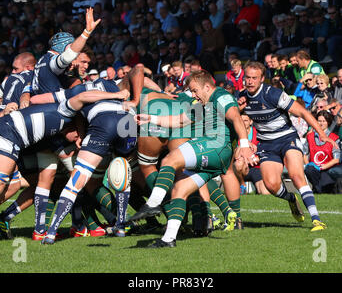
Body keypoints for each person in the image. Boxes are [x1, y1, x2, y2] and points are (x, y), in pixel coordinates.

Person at [130, 70, 256, 247]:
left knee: (169, 160)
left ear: (207, 86)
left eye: (195, 90)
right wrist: (151, 118)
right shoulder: (203, 104)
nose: (194, 95)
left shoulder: (220, 95)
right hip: (217, 154)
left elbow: (235, 116)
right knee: (179, 189)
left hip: (216, 145)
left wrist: (244, 144)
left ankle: (153, 203)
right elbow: (180, 120)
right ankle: (168, 239)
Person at [0, 90, 128, 239]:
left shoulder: (55, 130)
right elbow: (82, 96)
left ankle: (32, 228)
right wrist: (116, 95)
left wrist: (79, 134)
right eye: (77, 135)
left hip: (12, 137)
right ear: (72, 125)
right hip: (8, 135)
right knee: (2, 182)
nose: (75, 140)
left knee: (16, 184)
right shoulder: (64, 111)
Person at [238, 61, 331, 232]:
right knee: (271, 185)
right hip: (266, 144)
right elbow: (234, 120)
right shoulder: (242, 98)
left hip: (287, 138)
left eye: (254, 78)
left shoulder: (273, 94)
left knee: (296, 175)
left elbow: (303, 112)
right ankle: (291, 199)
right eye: (247, 78)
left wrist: (322, 133)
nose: (250, 81)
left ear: (262, 79)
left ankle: (317, 220)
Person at [303, 110, 341, 194]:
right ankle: (318, 190)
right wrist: (308, 164)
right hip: (313, 169)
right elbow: (304, 154)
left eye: (324, 121)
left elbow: (336, 159)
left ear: (328, 122)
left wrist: (321, 167)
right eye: (319, 121)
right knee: (309, 170)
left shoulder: (334, 138)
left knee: (323, 188)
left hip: (329, 169)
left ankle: (318, 190)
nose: (321, 123)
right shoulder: (310, 136)